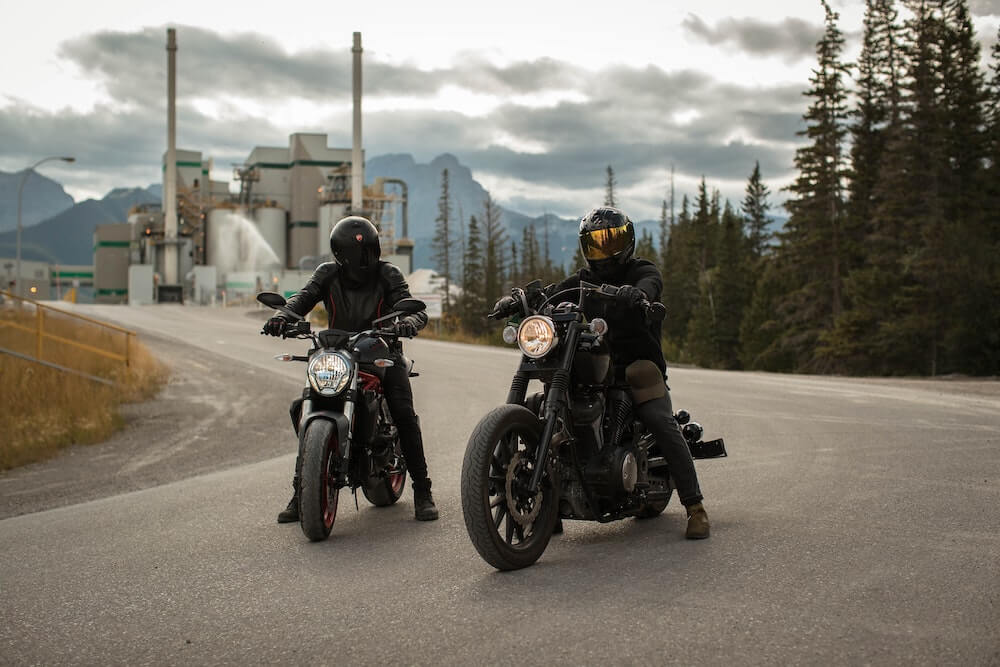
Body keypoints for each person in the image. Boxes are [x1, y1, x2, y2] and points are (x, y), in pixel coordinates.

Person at [495, 206, 709, 539]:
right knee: (543, 404)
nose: (605, 251)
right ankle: (551, 501)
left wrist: (639, 295)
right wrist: (520, 299)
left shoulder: (642, 271)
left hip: (636, 364)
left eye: (611, 241)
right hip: (595, 359)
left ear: (628, 241)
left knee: (658, 418)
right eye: (596, 244)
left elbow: (652, 283)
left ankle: (695, 507)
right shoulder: (583, 281)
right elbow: (552, 293)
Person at [263, 215, 439, 522]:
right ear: (340, 255)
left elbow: (409, 304)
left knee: (403, 414)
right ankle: (302, 491)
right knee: (303, 406)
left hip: (381, 352)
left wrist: (408, 322)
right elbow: (301, 300)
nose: (366, 258)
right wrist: (284, 317)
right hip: (337, 352)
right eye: (360, 252)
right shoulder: (327, 274)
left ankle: (422, 491)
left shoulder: (388, 274)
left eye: (369, 250)